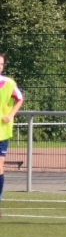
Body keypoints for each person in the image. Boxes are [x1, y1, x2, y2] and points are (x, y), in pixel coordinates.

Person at [0, 53, 24, 218]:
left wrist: (10, 115)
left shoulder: (9, 83)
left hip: (1, 132)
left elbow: (20, 99)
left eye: (1, 64)